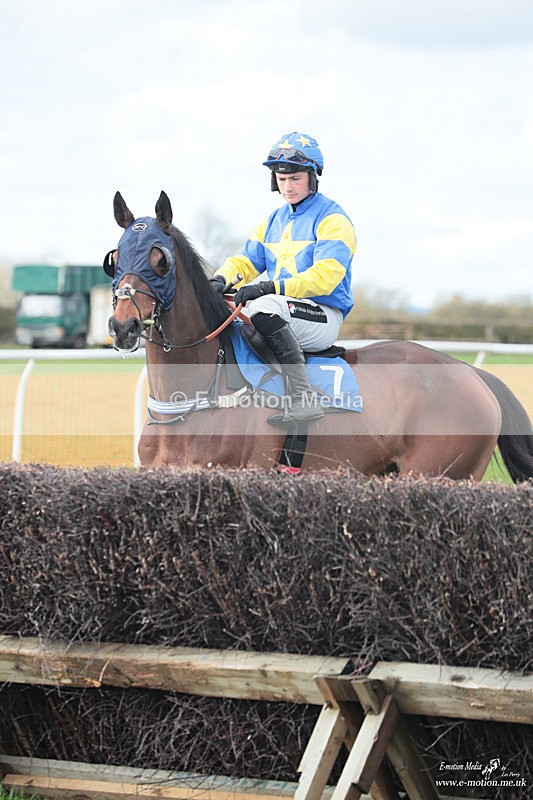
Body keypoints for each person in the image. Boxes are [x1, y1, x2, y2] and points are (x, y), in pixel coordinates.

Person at [210, 131, 356, 426]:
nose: (287, 186)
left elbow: (325, 277)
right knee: (229, 312)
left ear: (313, 176)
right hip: (283, 308)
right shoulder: (273, 221)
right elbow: (247, 261)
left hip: (322, 314)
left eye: (295, 178)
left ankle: (303, 398)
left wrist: (268, 286)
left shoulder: (333, 220)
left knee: (265, 306)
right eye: (281, 178)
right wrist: (219, 280)